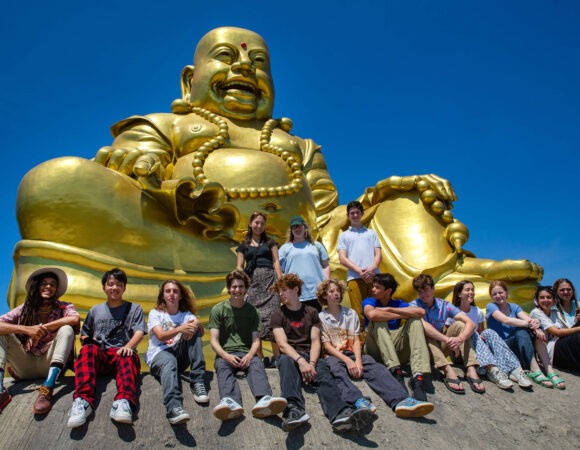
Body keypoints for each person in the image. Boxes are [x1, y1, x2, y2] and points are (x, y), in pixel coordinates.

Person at [13, 26, 543, 317]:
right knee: (55, 184)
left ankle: (443, 285)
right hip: (193, 247)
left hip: (302, 260)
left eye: (258, 63)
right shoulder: (165, 125)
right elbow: (127, 159)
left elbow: (332, 214)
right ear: (187, 80)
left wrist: (391, 195)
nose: (244, 68)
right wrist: (146, 164)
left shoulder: (297, 145)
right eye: (227, 57)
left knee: (398, 201)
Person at [270, 274, 373, 432]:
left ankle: (339, 413)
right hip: (291, 356)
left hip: (310, 354)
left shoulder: (311, 312)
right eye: (279, 291)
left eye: (284, 290)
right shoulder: (278, 314)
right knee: (284, 361)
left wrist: (311, 363)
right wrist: (301, 362)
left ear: (295, 290)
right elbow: (282, 345)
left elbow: (316, 341)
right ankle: (294, 411)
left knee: (324, 372)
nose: (281, 294)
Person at [318, 279, 434, 419]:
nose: (336, 294)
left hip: (352, 352)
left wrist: (358, 361)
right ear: (324, 296)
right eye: (331, 291)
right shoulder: (321, 318)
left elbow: (355, 340)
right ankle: (358, 400)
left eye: (338, 291)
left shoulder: (351, 314)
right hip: (335, 355)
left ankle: (401, 400)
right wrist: (348, 361)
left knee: (375, 366)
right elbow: (327, 346)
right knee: (335, 369)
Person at [67, 268, 146, 428]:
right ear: (104, 287)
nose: (114, 288)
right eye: (110, 284)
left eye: (118, 284)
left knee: (128, 354)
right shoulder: (95, 310)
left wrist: (129, 346)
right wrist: (89, 340)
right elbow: (84, 333)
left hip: (121, 355)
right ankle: (82, 401)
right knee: (87, 350)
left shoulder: (134, 308)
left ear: (124, 287)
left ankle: (123, 401)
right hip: (101, 356)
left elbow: (139, 331)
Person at [208, 270, 287, 421]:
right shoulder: (218, 309)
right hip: (226, 354)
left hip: (246, 352)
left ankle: (264, 398)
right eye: (234, 287)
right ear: (229, 288)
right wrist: (225, 355)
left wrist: (250, 355)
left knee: (256, 365)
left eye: (241, 287)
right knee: (222, 366)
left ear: (246, 289)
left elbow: (256, 340)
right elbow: (213, 340)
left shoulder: (253, 311)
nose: (237, 290)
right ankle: (230, 401)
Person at [0, 268, 79, 415]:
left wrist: (41, 329)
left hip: (50, 364)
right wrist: (27, 330)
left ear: (56, 289)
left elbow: (74, 319)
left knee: (67, 328)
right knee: (2, 333)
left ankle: (47, 389)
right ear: (36, 286)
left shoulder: (64, 307)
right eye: (44, 283)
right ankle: (0, 391)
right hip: (25, 365)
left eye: (52, 284)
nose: (48, 287)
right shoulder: (24, 309)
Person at [146, 279, 209, 425]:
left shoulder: (186, 315)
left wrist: (197, 324)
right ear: (163, 295)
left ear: (180, 296)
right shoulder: (155, 313)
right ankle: (173, 408)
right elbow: (161, 336)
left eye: (175, 291)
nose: (171, 294)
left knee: (195, 332)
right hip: (160, 354)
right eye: (168, 291)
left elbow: (201, 333)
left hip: (179, 357)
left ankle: (197, 381)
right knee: (169, 360)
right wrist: (181, 329)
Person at [449, 280, 531, 390]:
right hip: (462, 351)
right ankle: (493, 371)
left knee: (488, 332)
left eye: (472, 290)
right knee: (471, 330)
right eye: (467, 290)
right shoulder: (453, 312)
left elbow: (481, 333)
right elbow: (448, 333)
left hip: (479, 350)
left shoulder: (476, 311)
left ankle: (516, 370)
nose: (471, 292)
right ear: (459, 294)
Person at [410, 274, 484, 394]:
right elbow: (425, 327)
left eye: (426, 290)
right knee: (424, 330)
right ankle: (447, 370)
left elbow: (470, 323)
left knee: (460, 325)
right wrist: (446, 339)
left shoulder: (444, 305)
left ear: (433, 289)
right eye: (420, 292)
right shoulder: (414, 305)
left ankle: (470, 368)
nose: (423, 295)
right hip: (423, 348)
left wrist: (459, 339)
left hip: (441, 346)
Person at [362, 273, 431, 401]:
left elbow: (421, 312)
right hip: (375, 349)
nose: (373, 289)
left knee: (415, 321)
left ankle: (418, 376)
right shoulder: (369, 301)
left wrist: (389, 309)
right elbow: (371, 314)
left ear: (388, 291)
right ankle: (395, 372)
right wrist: (400, 315)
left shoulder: (398, 303)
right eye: (373, 286)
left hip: (396, 347)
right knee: (378, 320)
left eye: (377, 287)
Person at [486, 281, 561, 389]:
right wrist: (530, 325)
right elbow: (505, 320)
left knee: (535, 331)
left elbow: (527, 319)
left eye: (500, 292)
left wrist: (536, 325)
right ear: (491, 296)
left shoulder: (514, 307)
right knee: (522, 330)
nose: (498, 296)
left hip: (517, 344)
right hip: (502, 345)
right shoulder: (491, 306)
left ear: (506, 293)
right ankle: (535, 369)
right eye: (494, 294)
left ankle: (549, 371)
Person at [236, 211, 282, 363]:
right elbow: (239, 267)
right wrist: (243, 288)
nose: (259, 226)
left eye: (262, 223)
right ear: (250, 224)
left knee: (273, 319)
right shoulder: (243, 246)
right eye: (256, 222)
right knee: (256, 321)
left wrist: (280, 283)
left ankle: (277, 357)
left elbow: (276, 262)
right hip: (253, 285)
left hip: (270, 282)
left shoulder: (270, 243)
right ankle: (260, 357)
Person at [337, 200, 382, 332]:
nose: (355, 215)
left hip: (374, 277)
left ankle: (379, 341)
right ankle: (362, 346)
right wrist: (359, 271)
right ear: (348, 215)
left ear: (362, 213)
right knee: (359, 313)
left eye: (357, 212)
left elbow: (378, 254)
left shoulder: (371, 233)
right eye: (352, 213)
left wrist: (372, 268)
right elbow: (342, 258)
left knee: (377, 309)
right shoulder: (344, 236)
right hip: (354, 278)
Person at [278, 215, 330, 312]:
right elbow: (279, 269)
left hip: (315, 293)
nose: (297, 229)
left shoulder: (316, 245)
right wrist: (283, 288)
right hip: (294, 293)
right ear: (291, 230)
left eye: (300, 226)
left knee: (315, 324)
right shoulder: (285, 248)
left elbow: (326, 265)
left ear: (305, 227)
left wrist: (326, 282)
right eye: (294, 227)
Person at [530, 285, 580, 379]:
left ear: (553, 300)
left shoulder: (554, 312)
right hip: (550, 350)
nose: (546, 300)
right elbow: (557, 333)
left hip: (560, 343)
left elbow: (568, 329)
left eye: (549, 297)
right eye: (542, 297)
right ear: (537, 300)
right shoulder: (536, 312)